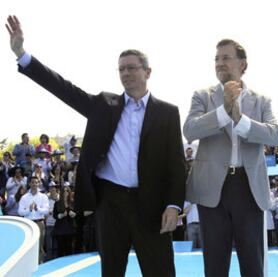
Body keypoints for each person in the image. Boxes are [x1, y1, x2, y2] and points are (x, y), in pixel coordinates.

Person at [6, 15, 185, 276]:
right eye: (121, 68)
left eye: (132, 68)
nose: (125, 73)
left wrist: (173, 204)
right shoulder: (105, 105)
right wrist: (22, 54)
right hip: (111, 203)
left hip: (151, 204)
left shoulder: (167, 112)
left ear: (147, 72)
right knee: (111, 271)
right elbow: (63, 88)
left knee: (160, 271)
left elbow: (176, 164)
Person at [184, 38, 278, 277]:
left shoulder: (261, 101)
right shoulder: (202, 96)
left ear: (242, 64)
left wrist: (241, 121)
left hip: (248, 189)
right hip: (212, 192)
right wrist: (223, 112)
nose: (220, 63)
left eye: (226, 58)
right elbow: (190, 130)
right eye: (217, 59)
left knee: (253, 265)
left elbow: (276, 135)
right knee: (215, 266)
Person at [18, 176, 49, 263]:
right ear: (29, 184)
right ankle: (29, 265)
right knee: (28, 246)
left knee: (40, 245)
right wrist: (29, 210)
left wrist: (37, 209)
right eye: (32, 182)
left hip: (40, 223)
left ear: (39, 184)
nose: (34, 184)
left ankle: (39, 265)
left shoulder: (43, 197)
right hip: (28, 224)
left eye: (36, 182)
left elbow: (46, 211)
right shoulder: (24, 197)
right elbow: (20, 212)